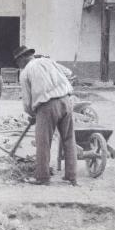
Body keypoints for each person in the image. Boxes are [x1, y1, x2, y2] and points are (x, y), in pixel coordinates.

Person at [14, 45, 78, 186]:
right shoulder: (49, 61)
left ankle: (42, 177)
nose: (18, 65)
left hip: (46, 106)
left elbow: (27, 101)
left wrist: (32, 114)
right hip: (66, 100)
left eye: (17, 61)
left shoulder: (25, 73)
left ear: (22, 58)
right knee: (69, 139)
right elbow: (68, 72)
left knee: (43, 142)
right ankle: (71, 176)